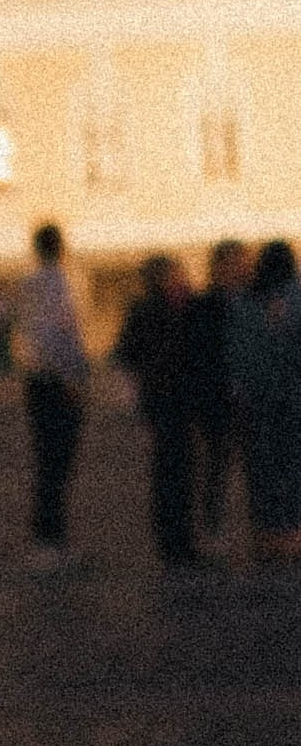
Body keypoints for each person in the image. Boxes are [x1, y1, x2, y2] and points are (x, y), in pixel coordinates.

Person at [112, 252, 199, 566]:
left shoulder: (150, 308)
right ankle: (177, 542)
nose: (182, 277)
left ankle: (175, 540)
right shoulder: (162, 309)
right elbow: (128, 354)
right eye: (176, 272)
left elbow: (125, 354)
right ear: (163, 277)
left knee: (172, 471)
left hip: (163, 400)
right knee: (174, 472)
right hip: (168, 400)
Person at [13, 221, 90, 568]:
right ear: (61, 247)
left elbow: (29, 333)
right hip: (57, 382)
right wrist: (73, 377)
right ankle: (50, 543)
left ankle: (46, 540)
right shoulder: (59, 284)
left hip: (35, 380)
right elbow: (61, 335)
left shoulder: (26, 284)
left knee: (46, 462)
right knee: (57, 465)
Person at [229, 238, 301, 561]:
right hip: (291, 395)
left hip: (256, 398)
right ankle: (291, 535)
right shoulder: (295, 297)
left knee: (262, 468)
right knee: (291, 466)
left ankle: (265, 534)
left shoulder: (244, 301)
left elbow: (237, 352)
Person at [183, 238, 250, 549]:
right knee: (217, 465)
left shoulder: (252, 301)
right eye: (239, 260)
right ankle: (214, 529)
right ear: (222, 265)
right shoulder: (204, 304)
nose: (245, 266)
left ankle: (266, 526)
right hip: (218, 400)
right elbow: (196, 356)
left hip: (251, 397)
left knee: (258, 463)